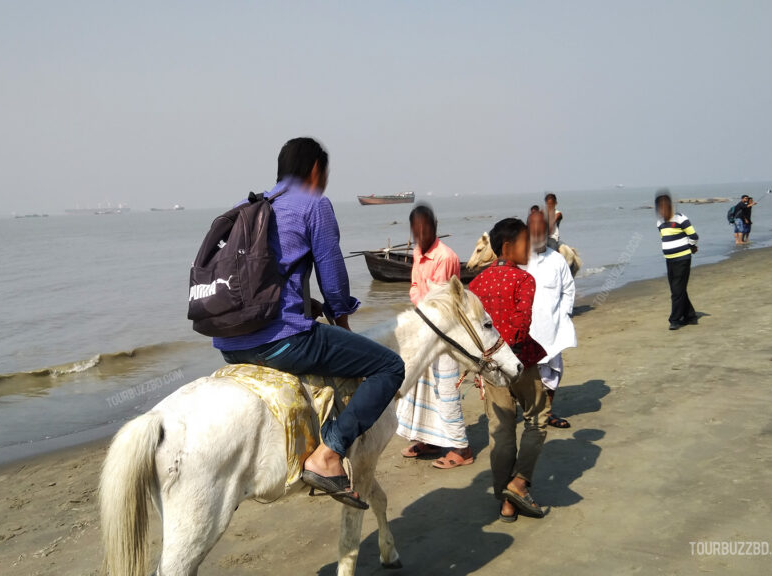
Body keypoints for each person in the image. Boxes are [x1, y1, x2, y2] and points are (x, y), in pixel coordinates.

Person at [216, 137, 405, 509]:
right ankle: (329, 453)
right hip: (282, 341)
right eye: (326, 173)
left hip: (230, 343)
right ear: (316, 170)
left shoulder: (244, 208)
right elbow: (334, 281)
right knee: (389, 365)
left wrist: (307, 303)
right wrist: (341, 320)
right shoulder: (314, 204)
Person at [468, 218, 549, 522]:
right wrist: (509, 349)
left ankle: (506, 502)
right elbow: (521, 326)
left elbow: (473, 333)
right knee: (538, 418)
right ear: (506, 247)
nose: (529, 248)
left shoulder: (476, 284)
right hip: (520, 361)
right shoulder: (524, 280)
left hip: (490, 367)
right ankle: (518, 484)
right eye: (525, 243)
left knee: (500, 431)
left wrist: (483, 363)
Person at [396, 205, 473, 469]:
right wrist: (420, 301)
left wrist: (422, 301)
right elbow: (415, 289)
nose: (420, 234)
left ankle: (462, 449)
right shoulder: (418, 253)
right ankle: (431, 440)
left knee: (446, 388)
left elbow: (440, 302)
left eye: (425, 228)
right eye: (415, 229)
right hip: (425, 328)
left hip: (445, 333)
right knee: (424, 387)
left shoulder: (445, 257)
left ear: (435, 226)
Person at [524, 211, 577, 430]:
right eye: (533, 230)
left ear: (547, 232)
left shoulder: (557, 260)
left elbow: (568, 290)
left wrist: (561, 317)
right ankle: (530, 410)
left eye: (541, 230)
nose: (537, 234)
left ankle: (547, 412)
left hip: (552, 328)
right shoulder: (519, 259)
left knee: (553, 372)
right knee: (524, 373)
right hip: (525, 330)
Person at [655, 189, 699, 330]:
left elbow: (694, 236)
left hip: (682, 259)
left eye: (663, 206)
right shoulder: (659, 222)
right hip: (669, 259)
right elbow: (665, 238)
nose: (661, 209)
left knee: (676, 290)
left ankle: (674, 320)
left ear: (668, 206)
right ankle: (690, 316)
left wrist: (691, 247)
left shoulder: (680, 218)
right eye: (659, 207)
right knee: (678, 289)